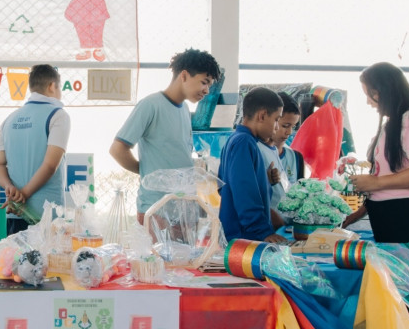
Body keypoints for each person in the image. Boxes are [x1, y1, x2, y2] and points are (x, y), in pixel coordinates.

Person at [343, 62, 409, 329]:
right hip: (396, 218)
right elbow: (393, 175)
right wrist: (361, 212)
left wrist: (374, 183)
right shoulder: (398, 121)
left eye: (370, 94)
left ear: (385, 90)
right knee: (399, 298)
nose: (368, 102)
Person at [109, 49, 221, 224]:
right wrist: (148, 172)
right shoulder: (150, 105)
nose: (206, 90)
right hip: (156, 209)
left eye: (209, 85)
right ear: (184, 76)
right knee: (157, 253)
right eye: (204, 82)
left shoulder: (184, 109)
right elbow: (117, 150)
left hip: (183, 208)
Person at [0, 64, 70, 235]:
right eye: (59, 88)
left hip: (16, 212)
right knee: (50, 262)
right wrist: (24, 194)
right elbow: (50, 165)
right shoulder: (58, 115)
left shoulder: (9, 119)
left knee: (16, 260)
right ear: (52, 86)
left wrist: (10, 189)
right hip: (48, 214)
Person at [218, 87, 288, 243]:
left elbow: (223, 186)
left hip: (240, 234)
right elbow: (244, 191)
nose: (277, 127)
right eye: (276, 119)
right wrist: (262, 231)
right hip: (245, 238)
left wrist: (265, 181)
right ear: (262, 115)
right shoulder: (244, 142)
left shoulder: (235, 139)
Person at [267, 92, 305, 227]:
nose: (289, 132)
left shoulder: (295, 157)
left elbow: (301, 196)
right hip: (266, 228)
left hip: (290, 229)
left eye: (293, 127)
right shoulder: (258, 154)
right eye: (285, 125)